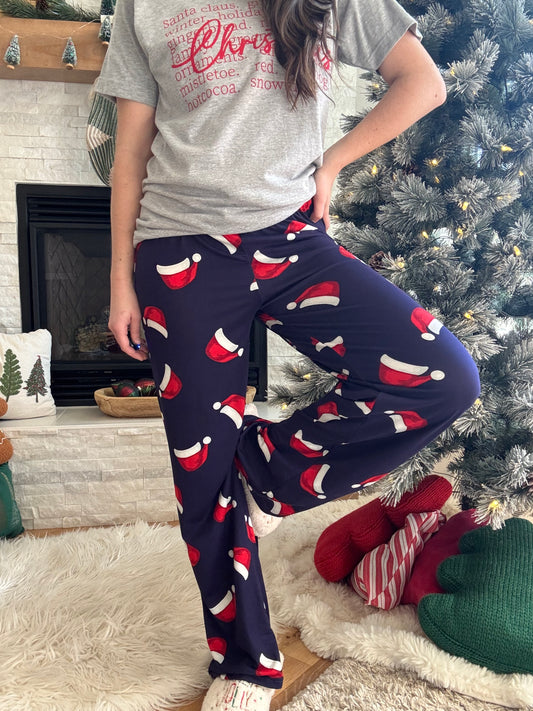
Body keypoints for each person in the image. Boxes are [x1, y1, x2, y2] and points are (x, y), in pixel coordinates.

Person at [98, 0, 480, 708]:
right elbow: (129, 156)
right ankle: (244, 664)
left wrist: (332, 162)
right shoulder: (143, 6)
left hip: (292, 240)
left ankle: (263, 468)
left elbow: (422, 82)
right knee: (199, 479)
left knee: (444, 375)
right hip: (177, 250)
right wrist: (121, 278)